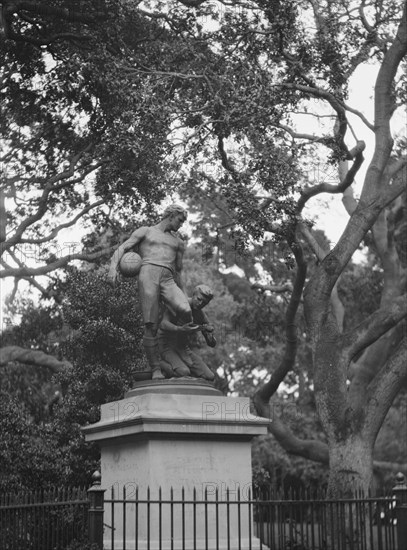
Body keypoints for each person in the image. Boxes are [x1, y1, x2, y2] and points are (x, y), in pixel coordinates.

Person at [108, 204, 195, 379]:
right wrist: (112, 268)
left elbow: (179, 271)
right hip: (148, 273)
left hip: (169, 278)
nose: (181, 225)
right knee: (151, 325)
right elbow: (123, 248)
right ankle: (155, 368)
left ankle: (180, 346)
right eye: (180, 220)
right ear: (171, 215)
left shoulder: (178, 242)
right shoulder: (146, 231)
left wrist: (184, 293)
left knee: (186, 310)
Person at [158, 284, 216, 381]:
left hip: (183, 348)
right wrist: (179, 329)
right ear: (193, 295)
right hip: (166, 345)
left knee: (209, 376)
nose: (200, 303)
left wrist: (209, 335)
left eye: (204, 303)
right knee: (183, 372)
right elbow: (163, 324)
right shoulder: (179, 304)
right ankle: (158, 364)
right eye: (199, 299)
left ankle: (181, 366)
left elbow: (212, 343)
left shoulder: (201, 315)